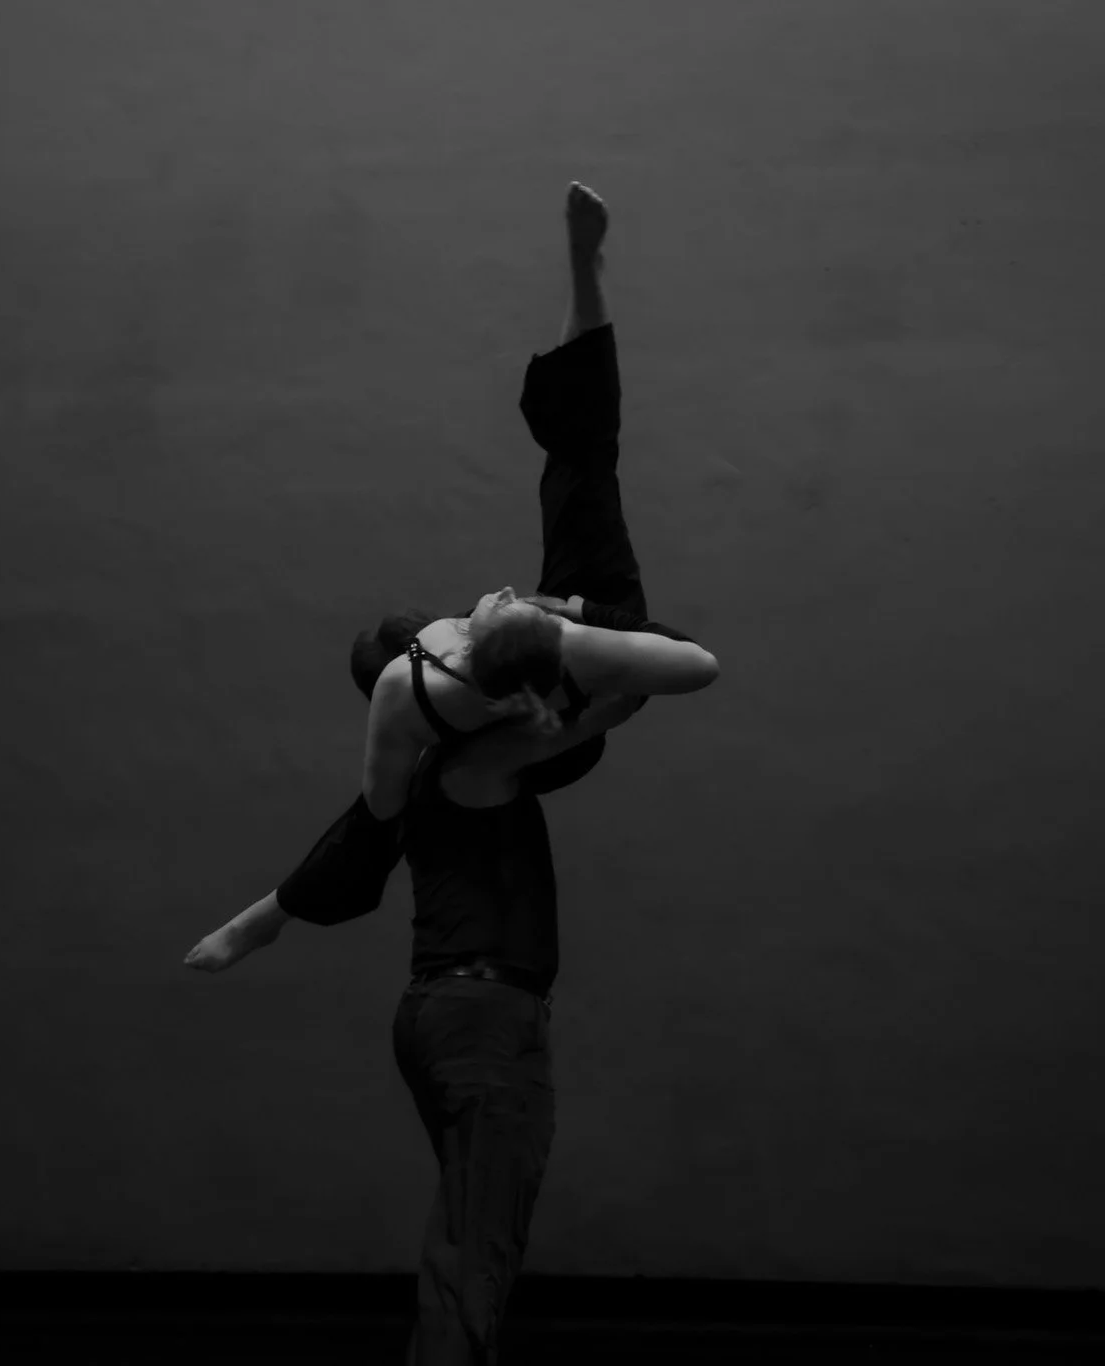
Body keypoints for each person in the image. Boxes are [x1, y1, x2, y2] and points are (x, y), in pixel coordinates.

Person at [187, 183, 718, 1362]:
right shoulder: (476, 758)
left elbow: (362, 829)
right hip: (481, 1020)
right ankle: (584, 277)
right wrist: (577, 643)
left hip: (440, 1018)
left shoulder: (439, 767)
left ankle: (583, 280)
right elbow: (656, 683)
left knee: (580, 463)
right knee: (472, 1252)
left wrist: (253, 923)